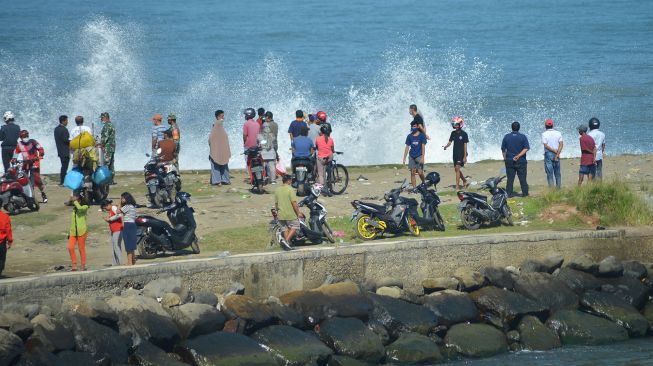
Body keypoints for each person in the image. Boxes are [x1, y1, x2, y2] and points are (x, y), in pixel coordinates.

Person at [14, 130, 48, 203]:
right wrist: (14, 159)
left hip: (34, 162)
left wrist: (41, 153)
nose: (25, 137)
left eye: (26, 136)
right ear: (21, 137)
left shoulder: (33, 142)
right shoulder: (19, 144)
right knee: (22, 178)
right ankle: (26, 196)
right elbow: (16, 153)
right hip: (25, 163)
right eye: (23, 136)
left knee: (36, 179)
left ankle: (43, 194)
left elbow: (40, 148)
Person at [274, 174, 305, 250]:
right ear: (288, 181)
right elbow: (294, 203)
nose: (291, 181)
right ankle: (286, 241)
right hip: (289, 213)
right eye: (291, 179)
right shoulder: (290, 189)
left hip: (281, 214)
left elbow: (276, 203)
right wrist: (298, 213)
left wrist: (278, 211)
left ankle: (287, 245)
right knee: (295, 225)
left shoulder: (277, 189)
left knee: (285, 229)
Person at [501, 121, 530, 197]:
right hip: (521, 161)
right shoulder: (523, 137)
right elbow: (526, 148)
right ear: (519, 128)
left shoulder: (506, 136)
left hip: (509, 160)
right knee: (522, 179)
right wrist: (519, 155)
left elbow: (503, 149)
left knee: (510, 179)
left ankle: (509, 194)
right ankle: (525, 194)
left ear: (512, 128)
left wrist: (505, 158)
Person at [111, 192, 137, 265]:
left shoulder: (127, 206)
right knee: (131, 244)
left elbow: (117, 211)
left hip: (128, 225)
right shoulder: (132, 206)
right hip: (132, 224)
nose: (121, 199)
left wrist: (119, 203)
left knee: (128, 245)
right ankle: (133, 260)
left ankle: (129, 262)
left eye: (122, 198)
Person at [443, 116, 469, 190]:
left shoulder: (464, 134)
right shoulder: (453, 133)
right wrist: (446, 146)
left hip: (462, 153)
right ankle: (464, 180)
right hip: (455, 153)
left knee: (457, 168)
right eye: (454, 124)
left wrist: (465, 156)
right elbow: (450, 142)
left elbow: (465, 145)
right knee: (456, 169)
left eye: (457, 124)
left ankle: (457, 186)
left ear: (460, 124)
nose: (455, 126)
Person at [209, 110, 231, 185]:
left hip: (217, 149)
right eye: (222, 116)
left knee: (216, 165)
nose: (223, 118)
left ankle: (217, 181)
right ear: (218, 117)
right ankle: (225, 180)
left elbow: (210, 139)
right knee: (223, 164)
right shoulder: (218, 124)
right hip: (221, 149)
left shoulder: (216, 125)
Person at [68, 194, 89, 271]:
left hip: (82, 231)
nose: (75, 202)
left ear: (80, 200)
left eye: (77, 200)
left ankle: (83, 265)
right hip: (73, 232)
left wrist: (75, 201)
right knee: (70, 247)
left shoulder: (85, 207)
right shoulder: (74, 209)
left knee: (81, 249)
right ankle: (74, 264)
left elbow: (80, 209)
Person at [542, 118, 564, 189]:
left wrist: (554, 151)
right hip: (557, 153)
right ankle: (558, 189)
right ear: (552, 125)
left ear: (545, 126)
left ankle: (551, 190)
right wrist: (557, 153)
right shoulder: (558, 133)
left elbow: (546, 145)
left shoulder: (544, 134)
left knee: (549, 173)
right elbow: (561, 144)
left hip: (548, 154)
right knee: (557, 173)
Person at [102, 199, 122, 266]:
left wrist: (110, 219)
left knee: (116, 246)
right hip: (114, 230)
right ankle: (115, 263)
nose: (106, 209)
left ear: (108, 205)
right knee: (114, 247)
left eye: (105, 207)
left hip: (117, 230)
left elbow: (119, 215)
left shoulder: (113, 207)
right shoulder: (110, 210)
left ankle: (119, 263)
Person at [316, 124, 335, 189]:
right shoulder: (331, 139)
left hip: (321, 158)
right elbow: (332, 150)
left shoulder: (318, 139)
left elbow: (317, 147)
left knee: (320, 174)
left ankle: (322, 187)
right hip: (329, 158)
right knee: (329, 168)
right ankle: (330, 179)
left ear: (321, 132)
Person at [259, 115, 277, 184]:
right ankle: (273, 180)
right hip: (271, 153)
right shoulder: (272, 135)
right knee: (272, 167)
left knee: (262, 167)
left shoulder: (260, 135)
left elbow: (258, 143)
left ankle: (262, 178)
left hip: (263, 154)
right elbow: (274, 141)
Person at [99, 112, 116, 184]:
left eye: (102, 118)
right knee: (111, 165)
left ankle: (107, 180)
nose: (101, 119)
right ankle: (111, 180)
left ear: (105, 117)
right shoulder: (111, 125)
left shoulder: (107, 126)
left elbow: (105, 137)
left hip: (108, 147)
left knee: (106, 164)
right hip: (112, 147)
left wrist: (101, 144)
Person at [54, 115, 70, 186]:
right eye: (66, 120)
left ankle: (63, 181)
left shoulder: (56, 129)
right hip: (65, 151)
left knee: (63, 166)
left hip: (60, 150)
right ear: (63, 121)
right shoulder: (64, 129)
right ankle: (62, 182)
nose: (67, 122)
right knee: (64, 167)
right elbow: (66, 140)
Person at [0, 208, 13, 278]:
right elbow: (8, 230)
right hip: (2, 241)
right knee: (1, 258)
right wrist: (10, 241)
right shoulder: (5, 216)